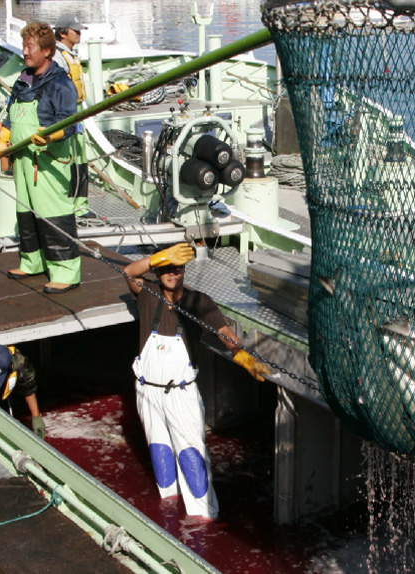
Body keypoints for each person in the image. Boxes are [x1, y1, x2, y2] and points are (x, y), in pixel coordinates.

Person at [124, 243, 271, 520]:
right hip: (146, 390)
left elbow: (223, 330)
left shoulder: (199, 302)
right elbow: (129, 272)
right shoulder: (148, 294)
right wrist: (158, 258)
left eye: (176, 268)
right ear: (158, 269)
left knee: (191, 453)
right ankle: (167, 504)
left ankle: (203, 517)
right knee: (159, 448)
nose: (171, 273)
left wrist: (242, 356)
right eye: (166, 268)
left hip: (181, 393)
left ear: (184, 270)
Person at [0, 22, 82, 295]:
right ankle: (32, 261)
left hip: (49, 162)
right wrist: (2, 140)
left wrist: (51, 136)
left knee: (54, 216)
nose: (25, 52)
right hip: (23, 160)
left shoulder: (60, 83)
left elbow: (70, 123)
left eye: (30, 47)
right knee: (26, 214)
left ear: (48, 51)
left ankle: (66, 272)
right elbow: (10, 116)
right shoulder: (22, 80)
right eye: (24, 45)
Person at [52, 14, 92, 219]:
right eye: (75, 31)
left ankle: (80, 203)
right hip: (67, 113)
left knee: (80, 159)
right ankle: (72, 205)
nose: (79, 34)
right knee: (71, 158)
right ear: (62, 32)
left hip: (77, 111)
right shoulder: (57, 56)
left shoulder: (71, 54)